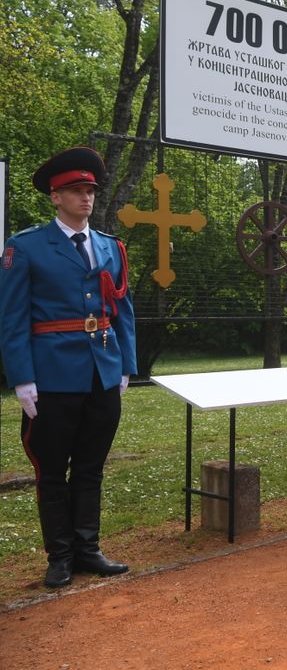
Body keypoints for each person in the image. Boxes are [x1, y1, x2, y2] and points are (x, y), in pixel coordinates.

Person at [0, 147, 136, 588]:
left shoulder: (110, 247)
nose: (86, 198)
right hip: (52, 375)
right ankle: (59, 554)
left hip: (102, 369)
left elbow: (123, 309)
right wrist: (21, 377)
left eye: (90, 190)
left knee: (92, 465)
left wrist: (126, 365)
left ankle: (88, 547)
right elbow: (12, 318)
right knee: (52, 469)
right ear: (55, 197)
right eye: (76, 191)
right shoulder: (26, 247)